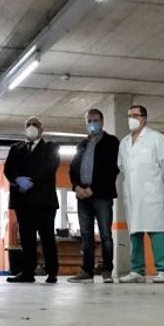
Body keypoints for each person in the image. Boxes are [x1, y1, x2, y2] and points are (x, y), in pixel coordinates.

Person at [116, 105, 164, 284]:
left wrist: (160, 186)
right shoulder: (124, 142)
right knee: (135, 232)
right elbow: (122, 166)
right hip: (132, 194)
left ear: (144, 118)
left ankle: (163, 269)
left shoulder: (156, 138)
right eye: (129, 115)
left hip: (152, 193)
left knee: (156, 230)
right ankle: (137, 270)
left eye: (135, 115)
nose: (131, 119)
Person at [2, 117, 60, 284]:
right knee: (27, 238)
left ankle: (52, 272)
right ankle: (27, 272)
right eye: (28, 125)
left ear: (41, 129)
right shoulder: (15, 148)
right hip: (23, 202)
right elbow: (8, 169)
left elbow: (49, 168)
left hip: (44, 202)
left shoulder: (51, 147)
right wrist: (17, 180)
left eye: (35, 124)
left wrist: (30, 183)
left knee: (47, 237)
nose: (31, 127)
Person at [67, 109, 120, 283]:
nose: (92, 124)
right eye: (89, 121)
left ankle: (107, 271)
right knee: (86, 235)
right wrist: (76, 187)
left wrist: (93, 188)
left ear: (102, 122)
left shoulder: (111, 142)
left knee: (105, 234)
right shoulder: (82, 145)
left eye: (95, 120)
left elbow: (112, 169)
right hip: (82, 196)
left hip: (102, 195)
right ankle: (87, 271)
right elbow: (73, 168)